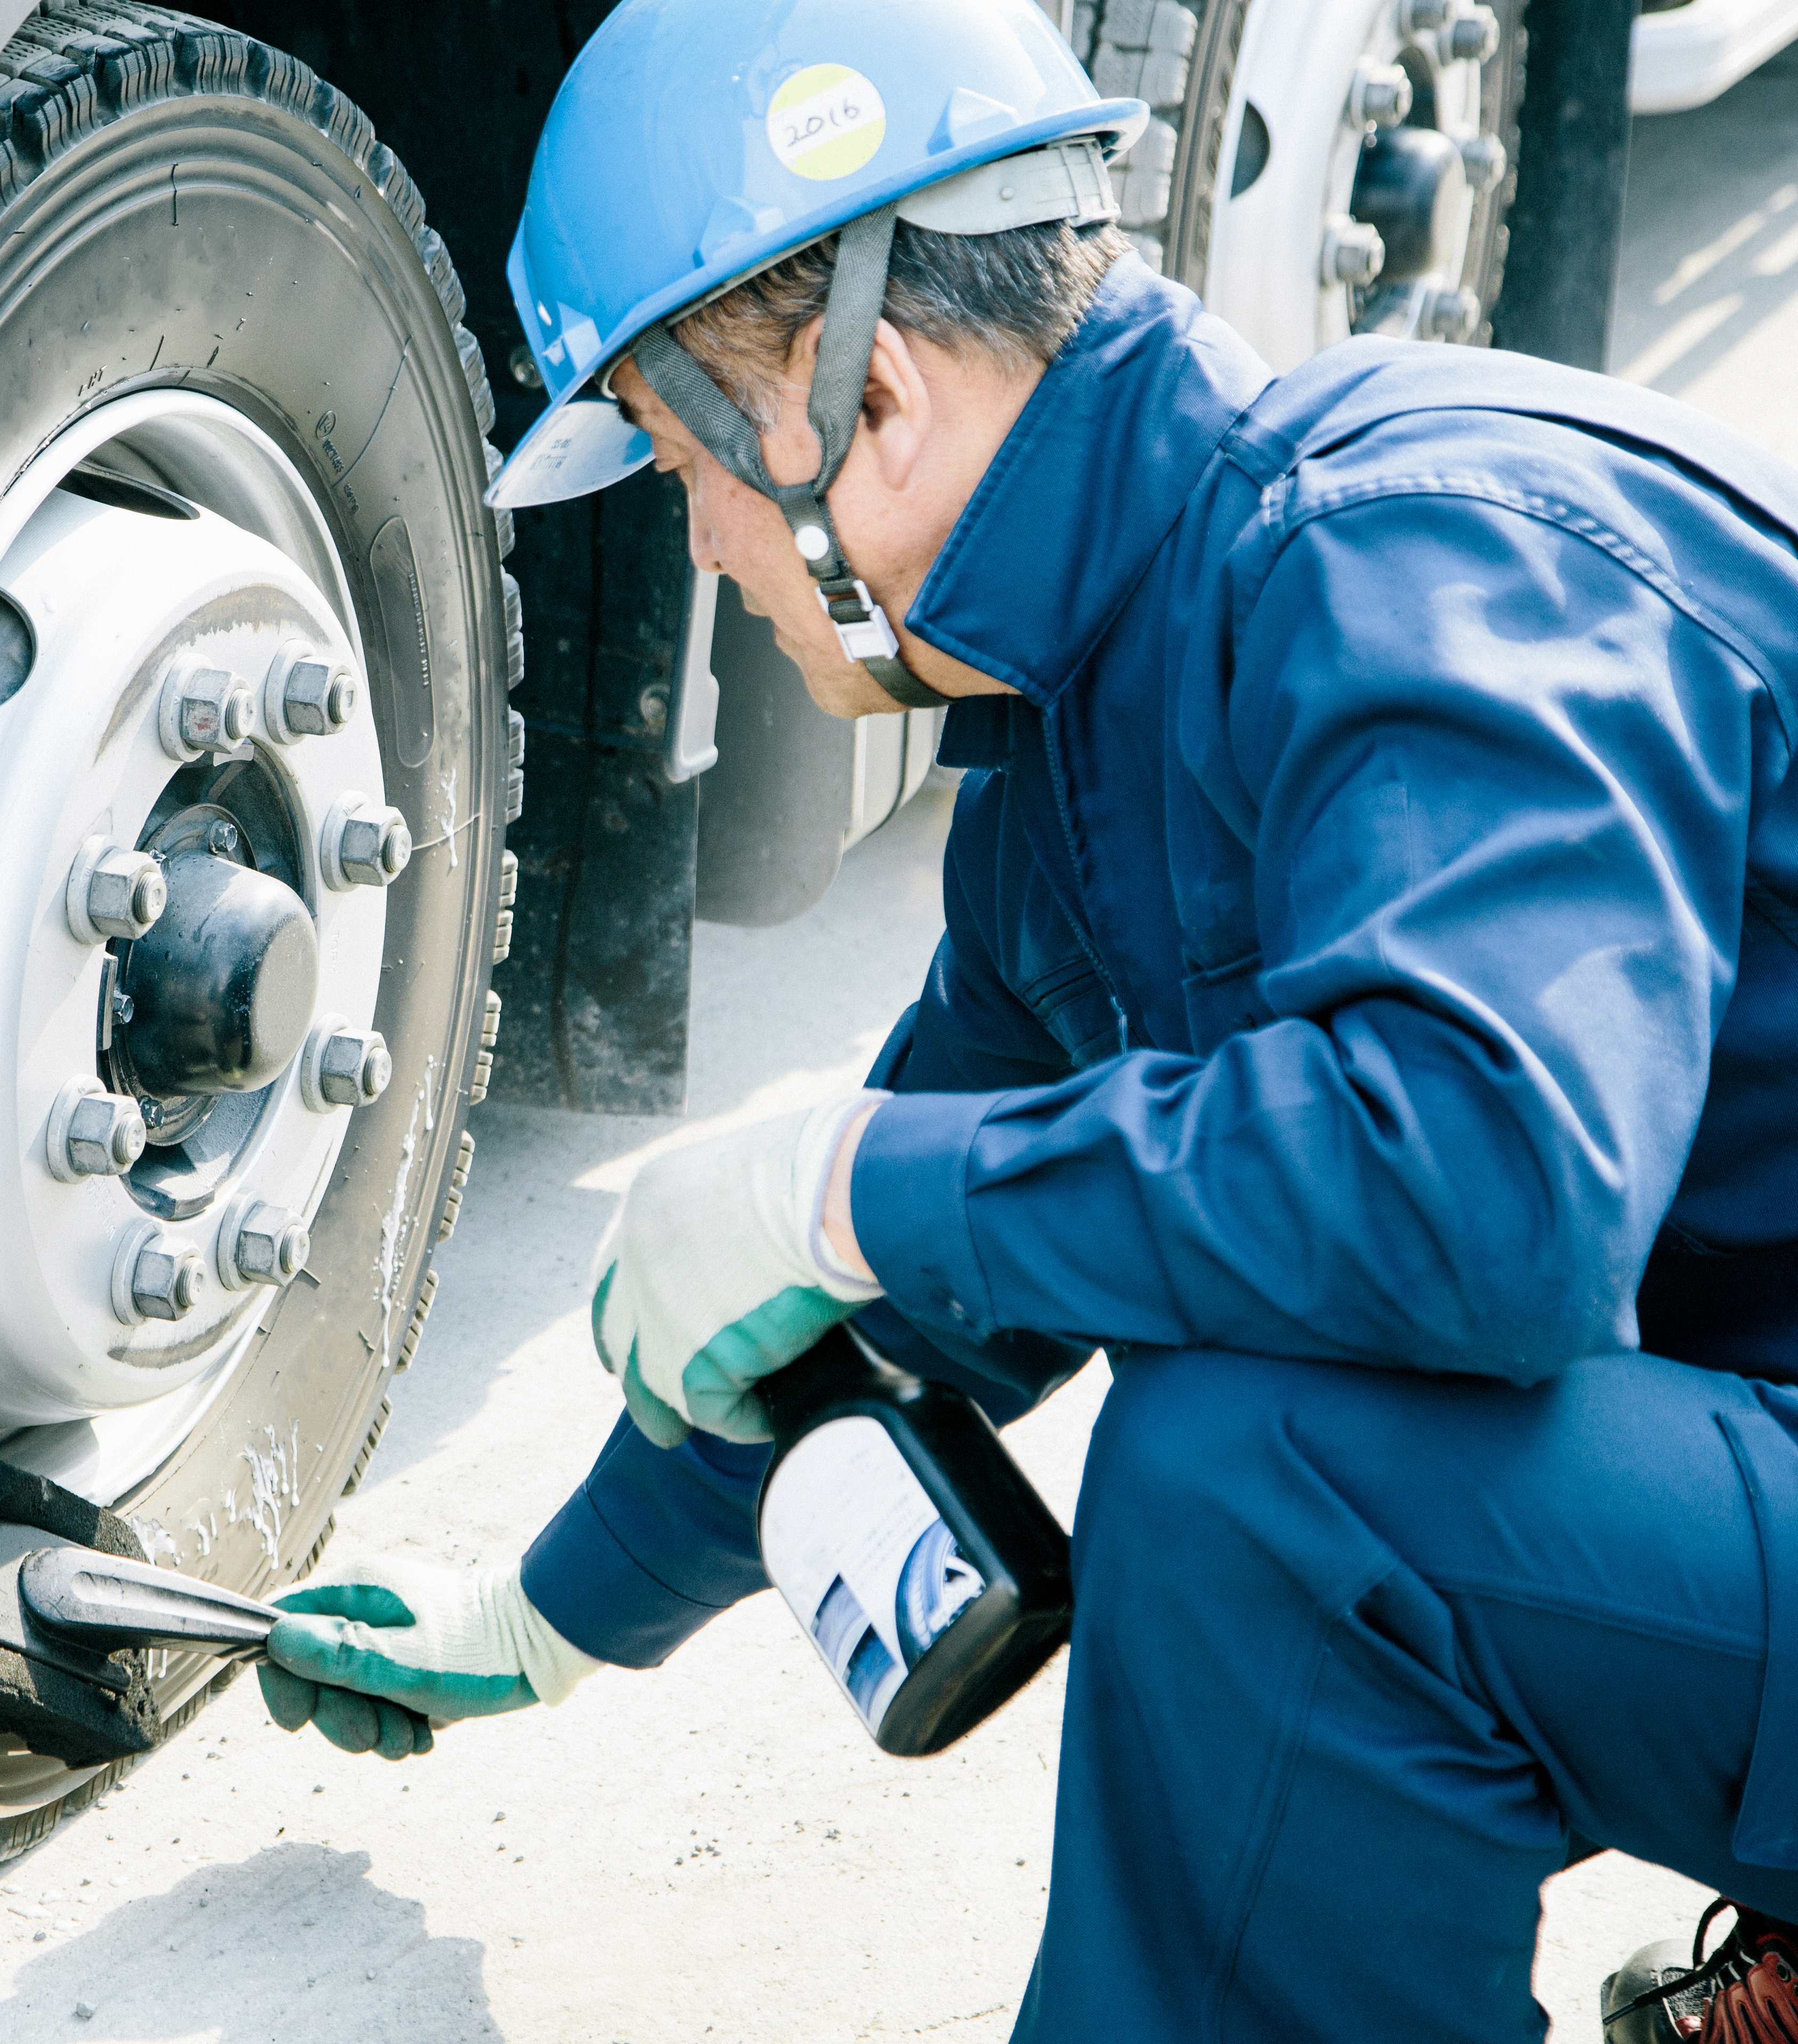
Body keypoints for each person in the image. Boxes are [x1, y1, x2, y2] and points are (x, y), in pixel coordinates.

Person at [251, 2, 1798, 2038]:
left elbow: (1483, 1189)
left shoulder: (1420, 552)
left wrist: (849, 1183)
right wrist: (541, 1618)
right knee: (1260, 1411)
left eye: (683, 459)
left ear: (860, 398)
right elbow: (901, 1303)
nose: (701, 544)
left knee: (1271, 1477)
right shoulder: (1096, 764)